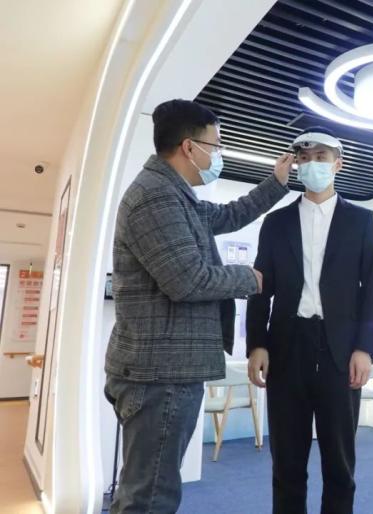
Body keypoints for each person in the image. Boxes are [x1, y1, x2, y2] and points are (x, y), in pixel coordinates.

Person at [104, 99, 291, 513]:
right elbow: (187, 280)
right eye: (216, 145)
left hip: (165, 371)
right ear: (190, 147)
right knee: (150, 496)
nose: (218, 154)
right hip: (160, 375)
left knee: (151, 486)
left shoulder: (176, 195)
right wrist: (252, 278)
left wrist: (276, 182)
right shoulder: (155, 198)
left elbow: (228, 215)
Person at [247, 127, 373, 514]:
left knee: (339, 463)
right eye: (304, 158)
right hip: (286, 347)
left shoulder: (361, 220)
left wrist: (365, 348)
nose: (312, 165)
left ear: (338, 164)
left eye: (321, 157)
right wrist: (257, 343)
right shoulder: (276, 222)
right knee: (287, 463)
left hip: (340, 349)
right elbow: (260, 288)